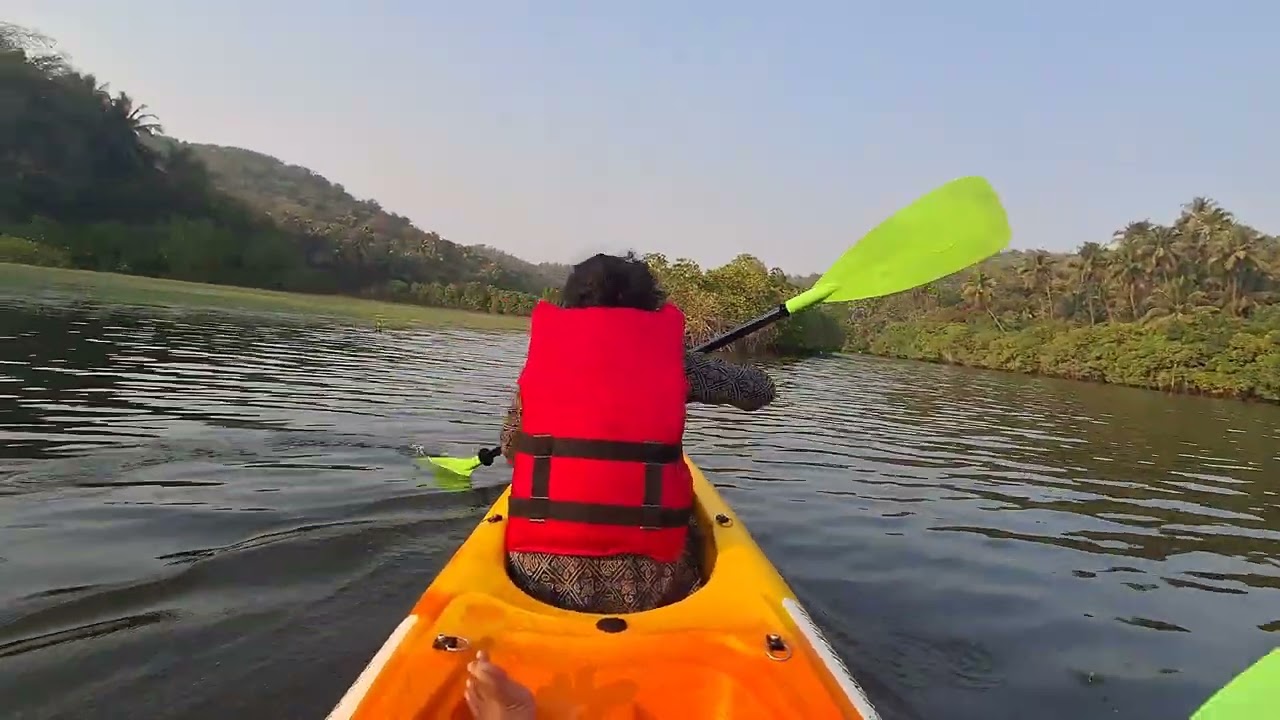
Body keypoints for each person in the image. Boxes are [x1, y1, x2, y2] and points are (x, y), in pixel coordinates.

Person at [498, 252, 776, 615]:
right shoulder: (677, 361)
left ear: (571, 300)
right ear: (649, 302)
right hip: (650, 574)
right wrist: (681, 366)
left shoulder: (546, 355)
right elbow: (760, 390)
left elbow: (509, 447)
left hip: (539, 569)